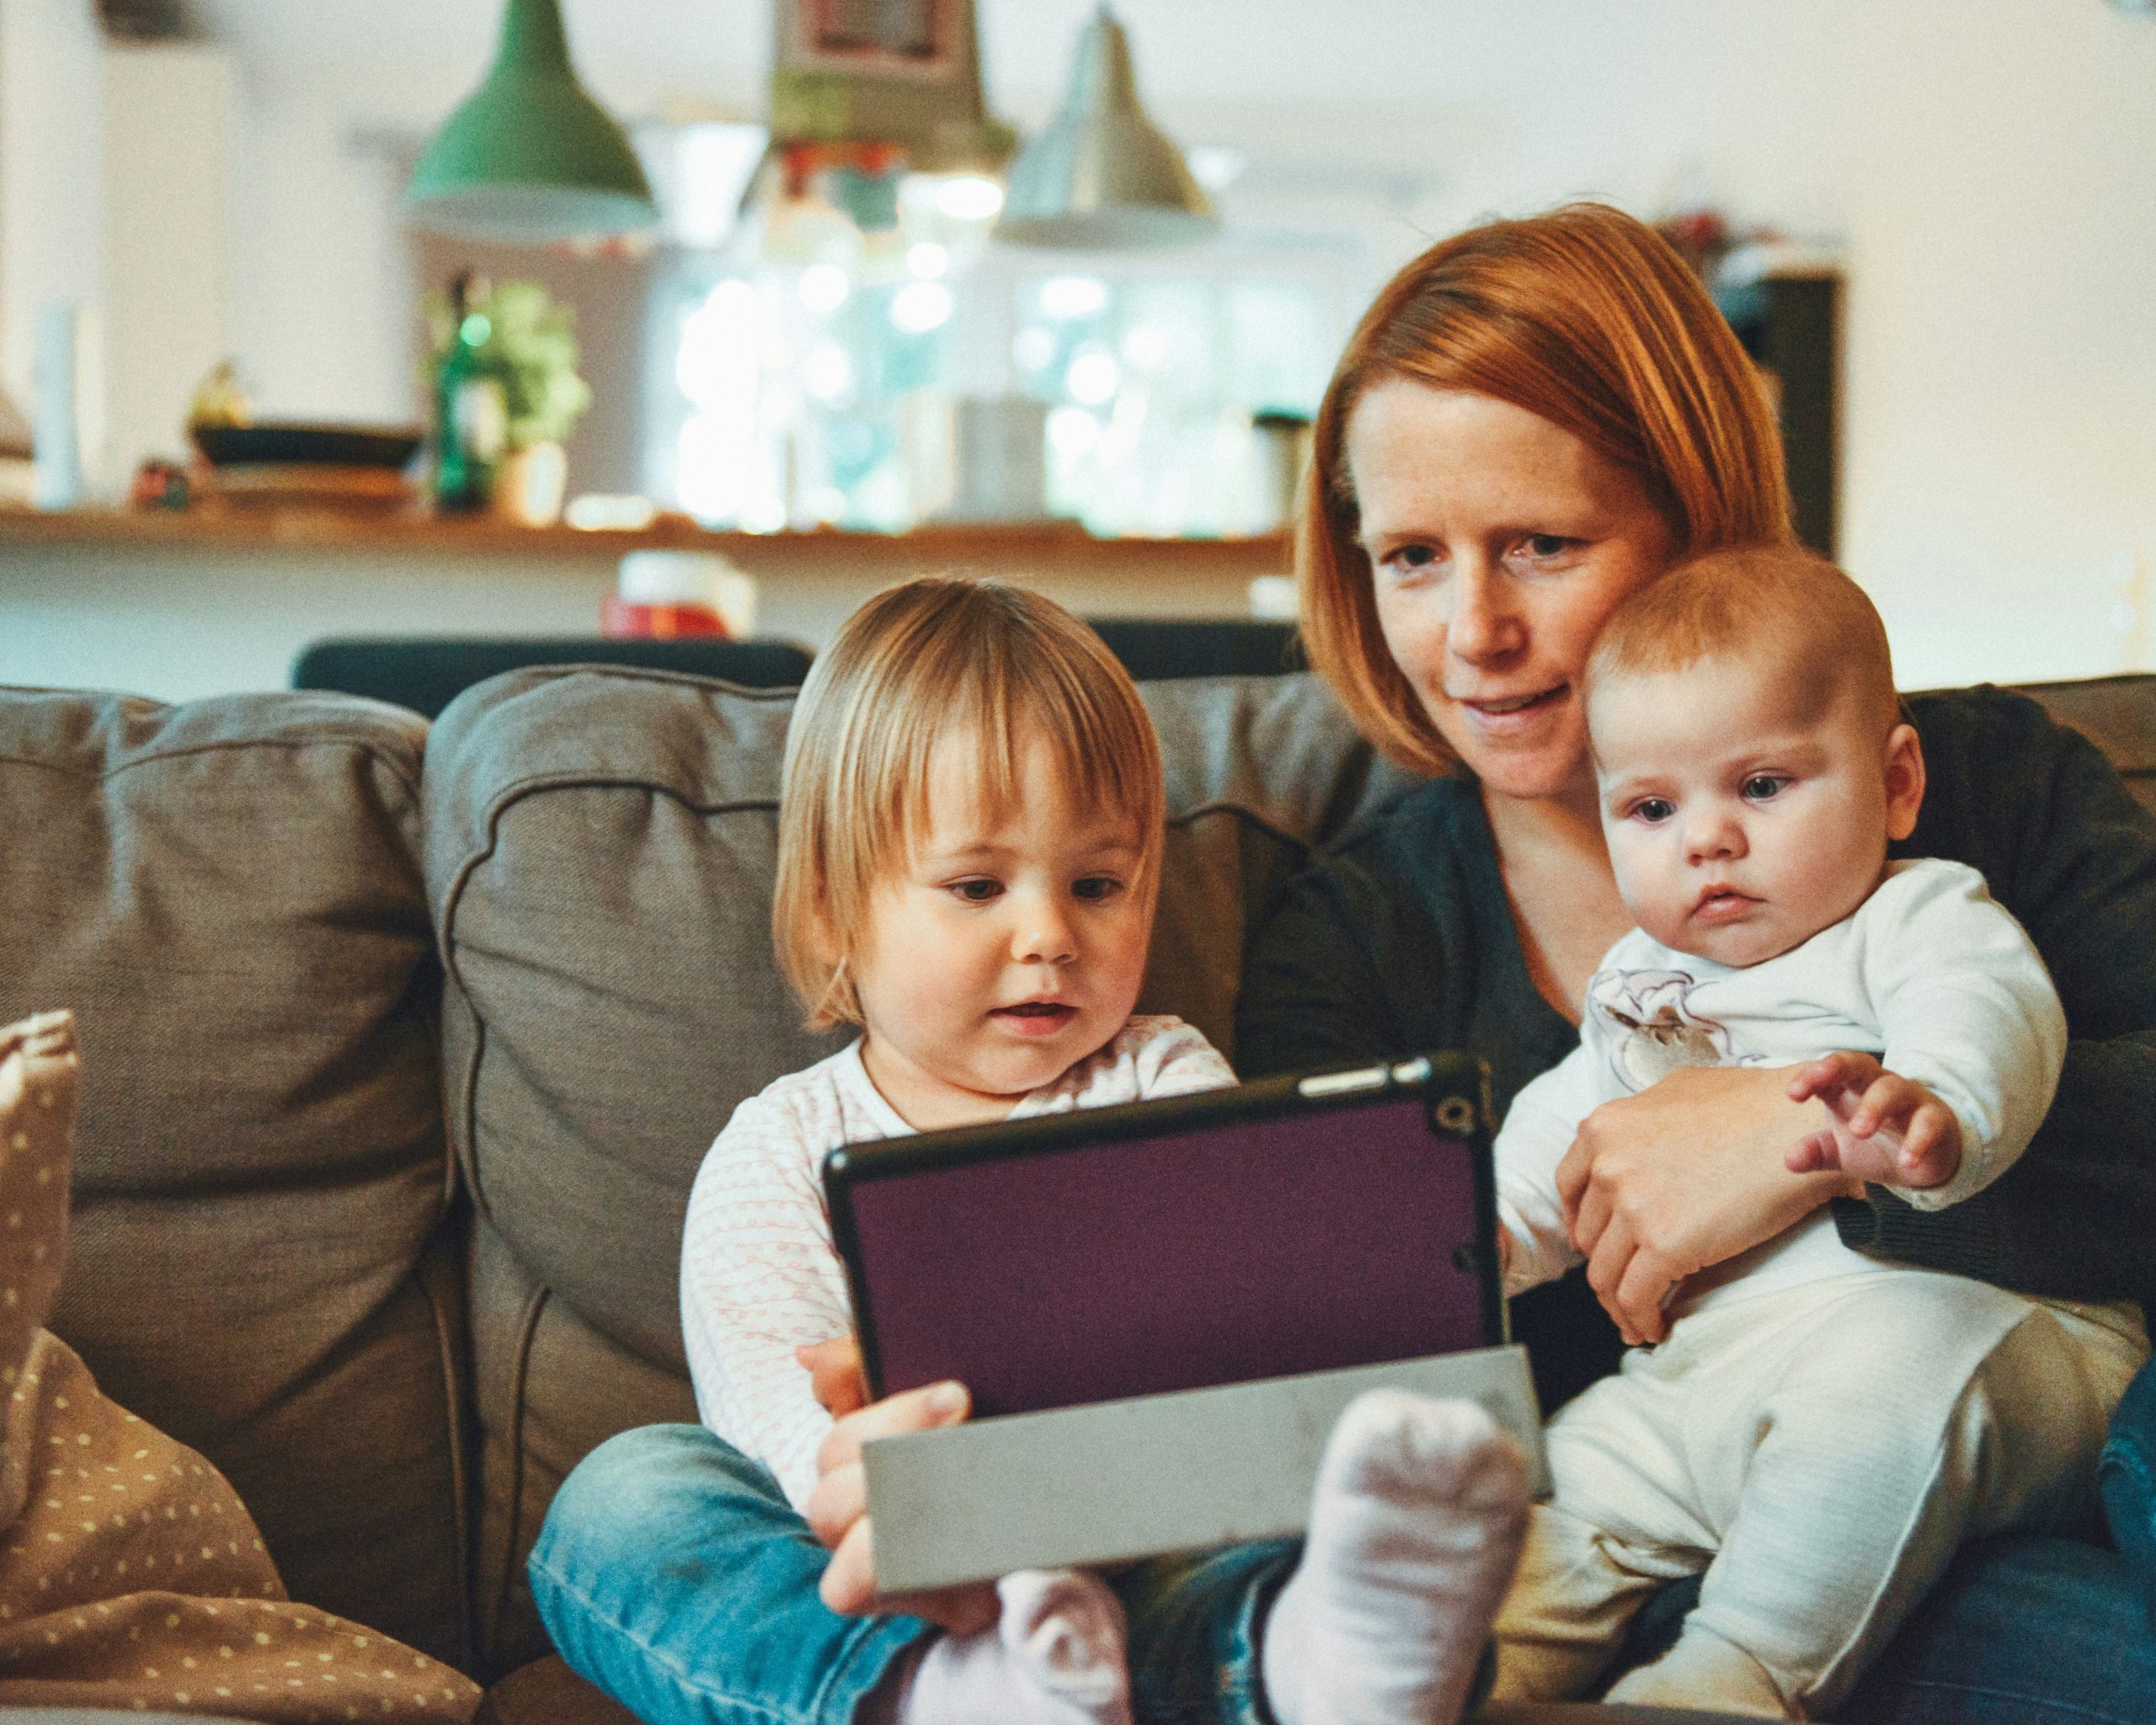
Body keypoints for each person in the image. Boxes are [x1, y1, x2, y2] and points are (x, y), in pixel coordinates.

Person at [1227, 201, 2156, 1718]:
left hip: (1967, 1506)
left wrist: (1806, 1136)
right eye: (1413, 556)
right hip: (1608, 1518)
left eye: (1541, 545)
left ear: (1695, 519)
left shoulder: (1980, 790)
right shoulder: (1356, 934)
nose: (1476, 634)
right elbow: (1357, 1338)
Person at [533, 574, 1533, 1725]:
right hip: (894, 1581)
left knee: (1312, 1512)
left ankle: (1318, 1665)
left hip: (1146, 1546)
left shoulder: (1164, 1077)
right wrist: (929, 1509)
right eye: (976, 887)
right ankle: (949, 1696)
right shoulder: (776, 1151)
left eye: (1099, 884)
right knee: (625, 1498)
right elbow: (784, 1441)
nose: (1051, 935)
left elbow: (1243, 1336)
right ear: (830, 913)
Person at [1483, 546, 2146, 1716]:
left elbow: (1988, 1012)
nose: (1707, 840)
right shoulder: (1645, 977)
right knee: (1565, 1480)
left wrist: (1933, 1109)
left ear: (1895, 785)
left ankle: (1729, 1679)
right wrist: (1484, 1234)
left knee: (1876, 1395)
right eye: (1651, 807)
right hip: (1707, 1375)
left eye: (1763, 787)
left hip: (1978, 1340)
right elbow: (1570, 1120)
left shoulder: (1916, 911)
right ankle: (1456, 1675)